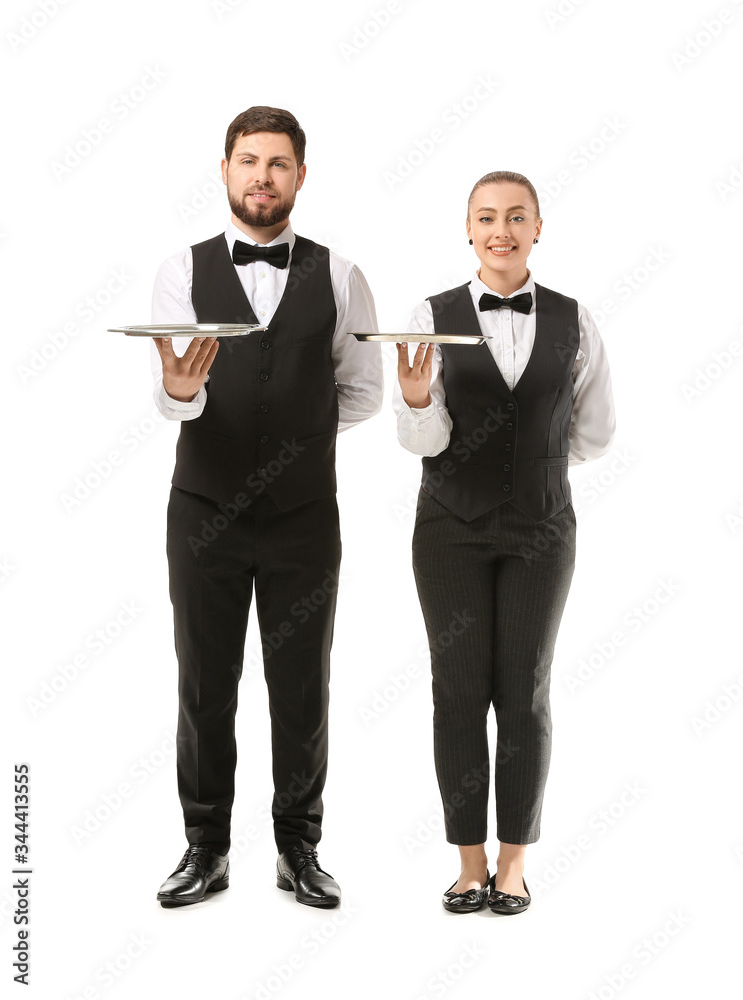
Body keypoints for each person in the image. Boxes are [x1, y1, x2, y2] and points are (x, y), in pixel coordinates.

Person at [151, 106, 383, 909]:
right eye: (247, 161)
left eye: (277, 164)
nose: (261, 177)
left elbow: (361, 392)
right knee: (204, 684)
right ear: (224, 171)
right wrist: (182, 391)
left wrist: (295, 439)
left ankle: (298, 849)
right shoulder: (182, 270)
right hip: (203, 513)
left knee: (302, 684)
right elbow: (173, 394)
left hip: (304, 518)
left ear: (300, 177)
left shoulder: (343, 275)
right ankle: (205, 847)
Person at [393, 171, 615, 915]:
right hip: (449, 526)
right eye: (487, 217)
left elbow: (594, 431)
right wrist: (420, 401)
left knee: (525, 688)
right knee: (457, 689)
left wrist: (534, 468)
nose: (502, 230)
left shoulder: (576, 319)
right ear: (467, 228)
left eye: (516, 217)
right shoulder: (430, 313)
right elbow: (420, 439)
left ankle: (514, 861)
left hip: (542, 529)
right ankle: (468, 860)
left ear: (539, 227)